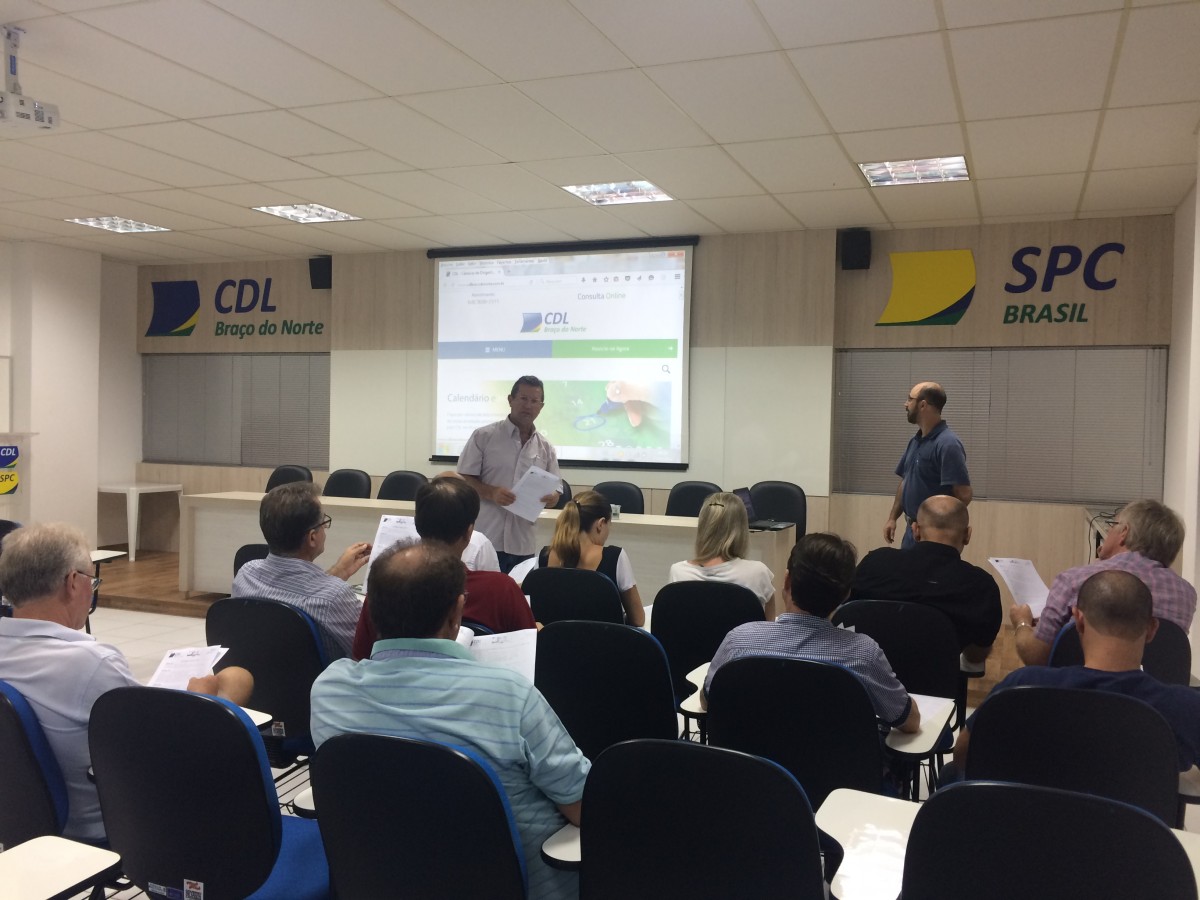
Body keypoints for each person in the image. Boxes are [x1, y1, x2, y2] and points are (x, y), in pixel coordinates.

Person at [311, 541, 589, 900]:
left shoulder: (329, 690)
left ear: (371, 610)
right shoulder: (508, 695)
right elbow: (584, 807)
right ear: (457, 612)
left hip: (387, 883)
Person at [0, 523, 253, 842]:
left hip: (20, 819)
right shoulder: (91, 663)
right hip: (106, 824)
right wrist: (201, 699)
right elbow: (156, 747)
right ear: (73, 583)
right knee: (233, 683)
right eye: (92, 580)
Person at [954, 570, 1200, 772]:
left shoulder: (1022, 686)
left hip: (1029, 817)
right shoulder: (1186, 708)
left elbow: (964, 755)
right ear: (1152, 629)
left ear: (1079, 621)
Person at [703, 532, 920, 734]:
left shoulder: (739, 641)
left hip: (752, 762)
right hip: (835, 764)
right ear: (846, 594)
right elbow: (908, 721)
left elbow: (707, 700)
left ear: (787, 581)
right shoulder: (863, 655)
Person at [351, 476, 535, 658]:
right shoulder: (501, 590)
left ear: (417, 525)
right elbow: (529, 654)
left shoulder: (384, 584)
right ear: (469, 532)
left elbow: (362, 657)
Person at [1012, 499, 1196, 667]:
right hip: (1154, 692)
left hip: (1076, 690)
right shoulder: (1186, 594)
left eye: (1113, 525)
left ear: (1124, 533)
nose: (1108, 531)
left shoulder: (1075, 579)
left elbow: (1036, 658)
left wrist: (1022, 622)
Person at [852, 495, 1001, 664]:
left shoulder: (874, 564)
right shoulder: (981, 587)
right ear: (967, 535)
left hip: (864, 675)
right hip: (936, 680)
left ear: (915, 530)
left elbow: (848, 615)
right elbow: (975, 657)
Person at [232, 482, 371, 661]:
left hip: (255, 675)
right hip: (322, 679)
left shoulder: (246, 574)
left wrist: (339, 571)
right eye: (324, 522)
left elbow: (295, 595)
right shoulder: (334, 597)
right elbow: (369, 652)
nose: (325, 529)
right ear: (312, 537)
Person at [458, 376, 561, 573]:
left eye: (534, 401)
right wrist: (491, 492)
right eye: (523, 398)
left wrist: (552, 498)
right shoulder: (483, 436)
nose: (528, 406)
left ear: (541, 407)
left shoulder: (546, 447)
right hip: (487, 538)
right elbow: (463, 480)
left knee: (518, 591)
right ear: (510, 400)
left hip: (523, 541)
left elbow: (556, 491)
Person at [535, 490, 645, 627]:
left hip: (552, 640)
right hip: (602, 640)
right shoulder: (615, 558)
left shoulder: (544, 556)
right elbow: (638, 619)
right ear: (601, 524)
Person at [884, 382, 971, 550]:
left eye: (910, 399)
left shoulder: (947, 444)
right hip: (912, 531)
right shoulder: (915, 441)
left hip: (933, 537)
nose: (905, 404)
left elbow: (964, 495)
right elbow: (906, 481)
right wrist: (892, 518)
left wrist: (938, 527)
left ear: (923, 405)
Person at [668, 491, 775, 612]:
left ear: (702, 527)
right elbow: (768, 623)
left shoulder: (678, 573)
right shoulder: (758, 573)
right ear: (741, 529)